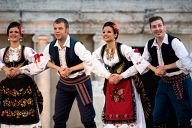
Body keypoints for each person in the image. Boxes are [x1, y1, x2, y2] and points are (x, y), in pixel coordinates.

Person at [38, 18, 96, 128]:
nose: (57, 31)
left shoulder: (76, 45)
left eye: (60, 28)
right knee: (59, 119)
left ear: (67, 30)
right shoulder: (50, 46)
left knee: (87, 119)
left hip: (81, 84)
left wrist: (70, 69)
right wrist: (58, 68)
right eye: (55, 28)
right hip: (64, 85)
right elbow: (43, 61)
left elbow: (90, 61)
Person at [92, 21, 152, 128]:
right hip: (111, 86)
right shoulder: (101, 50)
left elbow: (140, 63)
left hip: (127, 85)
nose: (105, 34)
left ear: (115, 34)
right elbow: (92, 62)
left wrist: (122, 75)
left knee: (129, 115)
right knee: (112, 114)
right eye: (104, 32)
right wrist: (108, 75)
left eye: (109, 32)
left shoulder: (123, 48)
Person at [142, 16, 192, 128]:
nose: (157, 29)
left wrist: (165, 67)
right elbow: (142, 61)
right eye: (154, 27)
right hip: (164, 83)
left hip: (180, 82)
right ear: (150, 30)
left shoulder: (174, 42)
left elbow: (187, 64)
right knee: (157, 117)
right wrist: (155, 69)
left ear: (164, 27)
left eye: (160, 25)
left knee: (184, 118)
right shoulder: (149, 44)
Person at [0, 22, 43, 128]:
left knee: (27, 120)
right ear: (8, 35)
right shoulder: (3, 51)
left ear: (21, 35)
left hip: (25, 88)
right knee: (8, 120)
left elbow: (40, 63)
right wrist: (4, 68)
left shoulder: (27, 51)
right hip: (8, 89)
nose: (13, 34)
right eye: (11, 32)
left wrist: (21, 70)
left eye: (16, 32)